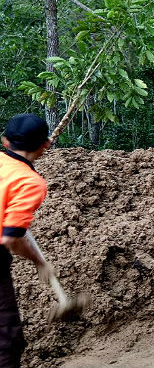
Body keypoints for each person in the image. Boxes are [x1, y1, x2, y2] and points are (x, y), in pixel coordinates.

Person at [0, 114, 53, 368]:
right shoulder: (30, 183)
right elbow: (10, 237)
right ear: (47, 144)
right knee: (6, 340)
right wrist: (38, 261)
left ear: (5, 141)